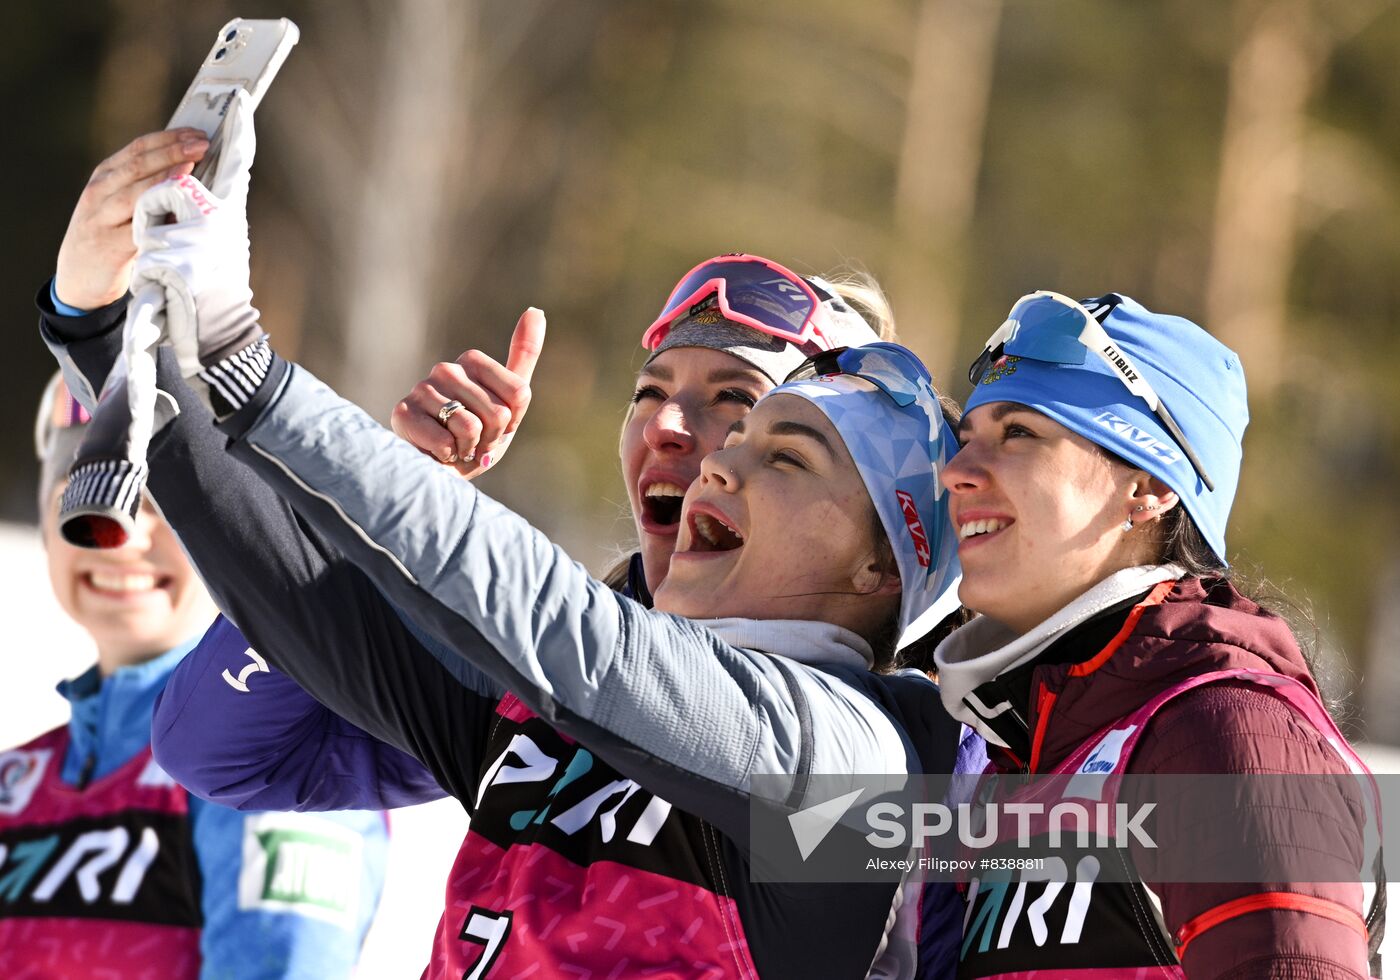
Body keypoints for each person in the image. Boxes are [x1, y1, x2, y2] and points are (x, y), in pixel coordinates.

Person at [41, 103, 969, 977]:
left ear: (882, 557)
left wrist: (248, 363)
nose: (693, 443)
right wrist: (113, 333)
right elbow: (228, 724)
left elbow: (566, 634)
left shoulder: (860, 760)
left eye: (752, 417)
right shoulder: (534, 697)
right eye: (649, 394)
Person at [934, 290, 1380, 978]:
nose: (957, 472)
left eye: (1019, 432)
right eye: (968, 439)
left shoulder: (1226, 730)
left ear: (1146, 484)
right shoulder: (1027, 752)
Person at [0, 375, 391, 979]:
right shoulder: (16, 781)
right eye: (86, 498)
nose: (122, 537)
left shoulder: (270, 759)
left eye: (160, 504)